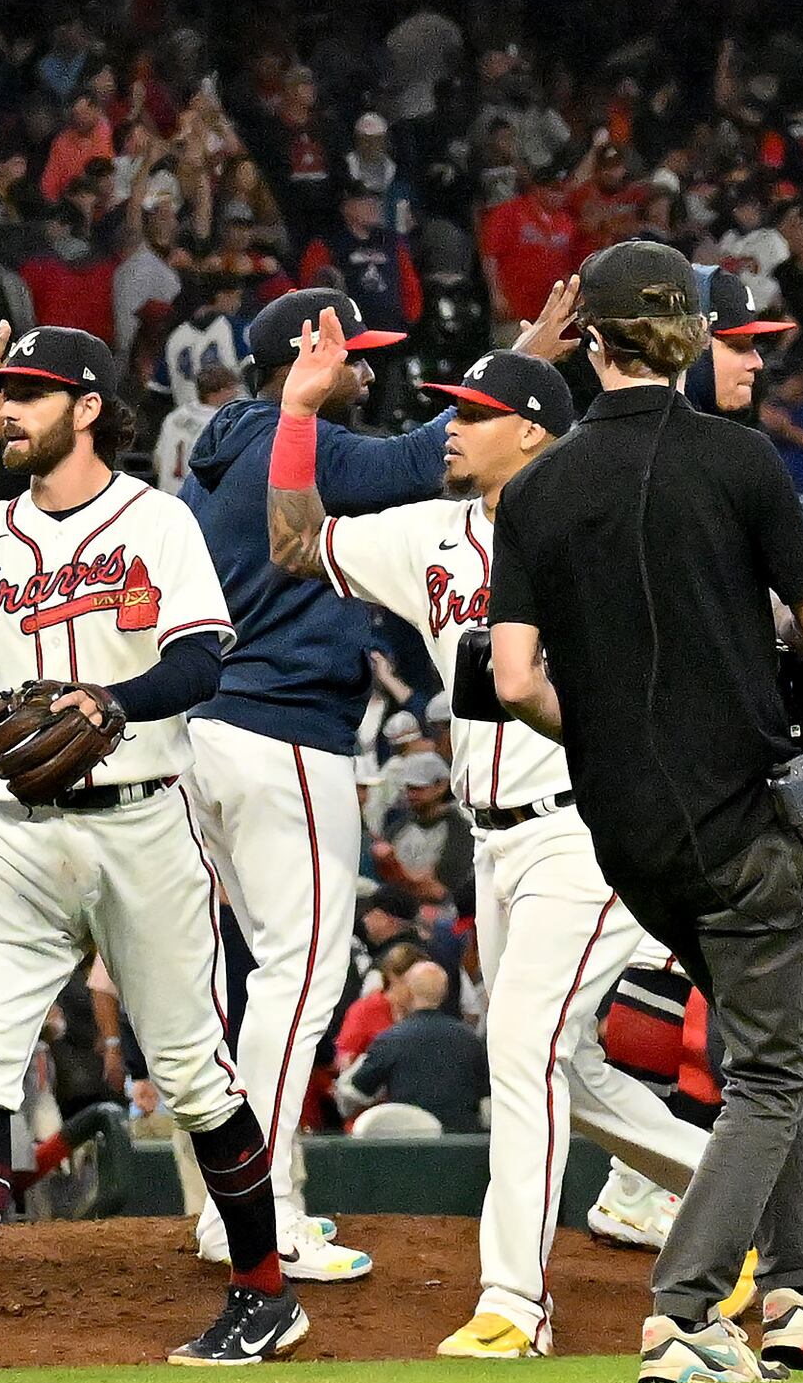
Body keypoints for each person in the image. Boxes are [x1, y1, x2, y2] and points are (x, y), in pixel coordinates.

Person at [0, 329, 304, 1368]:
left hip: (143, 821)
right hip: (20, 837)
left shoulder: (154, 519)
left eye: (31, 393)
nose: (8, 410)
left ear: (88, 406)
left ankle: (265, 1290)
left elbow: (206, 658)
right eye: (1, 393)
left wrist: (110, 701)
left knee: (192, 1074)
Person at [485, 240, 803, 1383]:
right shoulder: (740, 462)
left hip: (629, 839)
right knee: (775, 1077)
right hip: (744, 817)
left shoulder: (533, 488)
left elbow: (516, 676)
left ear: (594, 340)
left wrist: (612, 734)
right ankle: (680, 1309)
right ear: (687, 336)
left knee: (757, 1048)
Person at [276, 340, 705, 1357]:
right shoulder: (432, 535)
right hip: (492, 841)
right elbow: (296, 541)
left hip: (586, 822)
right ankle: (756, 1194)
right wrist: (298, 412)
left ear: (533, 429)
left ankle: (516, 1302)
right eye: (450, 408)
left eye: (473, 410)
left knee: (519, 1047)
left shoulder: (611, 530)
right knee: (570, 1065)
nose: (452, 426)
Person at [180, 283, 570, 1282]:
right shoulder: (289, 435)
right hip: (286, 734)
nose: (369, 371)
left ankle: (232, 1204)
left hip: (215, 730)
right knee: (298, 983)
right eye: (357, 355)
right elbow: (417, 462)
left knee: (251, 981)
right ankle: (252, 1216)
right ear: (301, 358)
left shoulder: (220, 449)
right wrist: (517, 363)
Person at [343, 962, 491, 1129]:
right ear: (444, 993)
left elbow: (355, 1092)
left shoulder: (392, 1039)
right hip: (463, 1145)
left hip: (411, 1145)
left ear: (408, 992)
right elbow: (487, 1102)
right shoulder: (470, 1040)